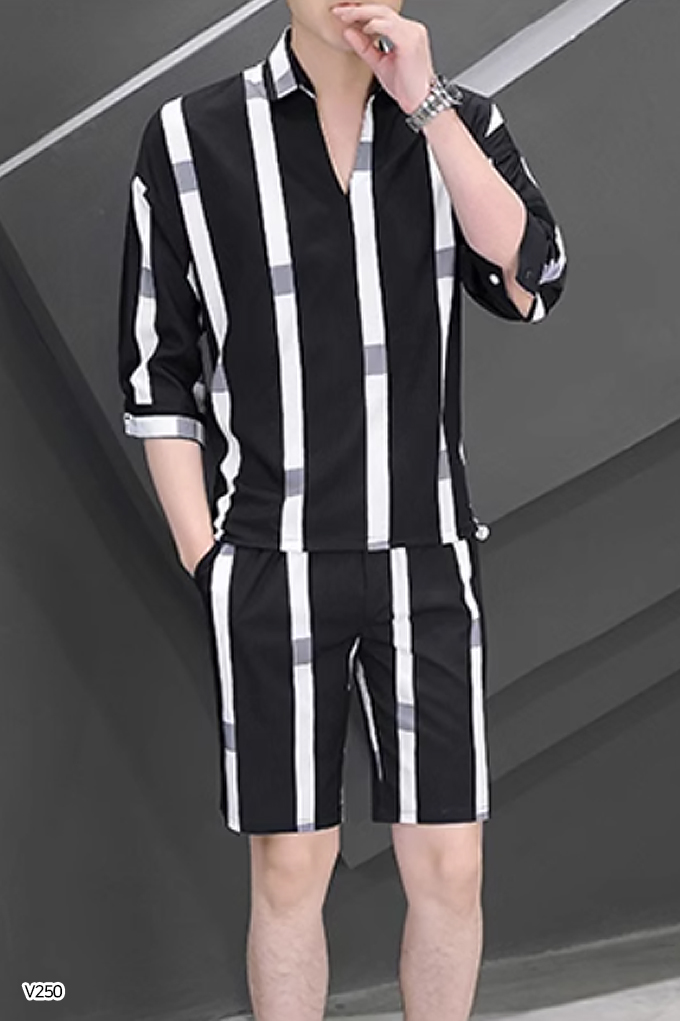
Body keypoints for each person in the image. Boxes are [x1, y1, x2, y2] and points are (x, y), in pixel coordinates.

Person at [117, 1, 567, 1018]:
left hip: (427, 559)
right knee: (290, 867)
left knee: (450, 864)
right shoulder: (190, 137)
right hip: (270, 562)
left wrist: (427, 104)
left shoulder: (459, 122)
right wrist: (205, 558)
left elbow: (532, 274)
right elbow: (159, 372)